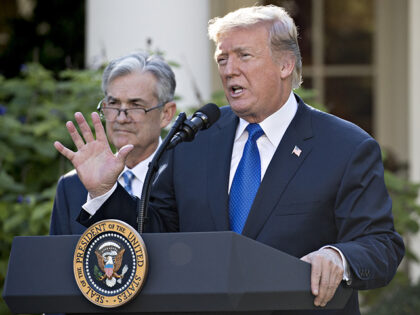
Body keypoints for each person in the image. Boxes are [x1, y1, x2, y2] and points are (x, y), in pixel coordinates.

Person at [54, 5, 404, 314]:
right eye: (222, 59)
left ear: (285, 64)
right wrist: (105, 192)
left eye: (243, 56)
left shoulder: (345, 146)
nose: (229, 70)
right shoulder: (194, 137)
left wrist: (337, 258)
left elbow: (381, 244)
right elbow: (153, 234)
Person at [50, 51, 176, 235]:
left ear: (166, 114)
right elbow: (57, 259)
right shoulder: (72, 185)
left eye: (136, 105)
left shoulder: (184, 178)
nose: (121, 118)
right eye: (113, 104)